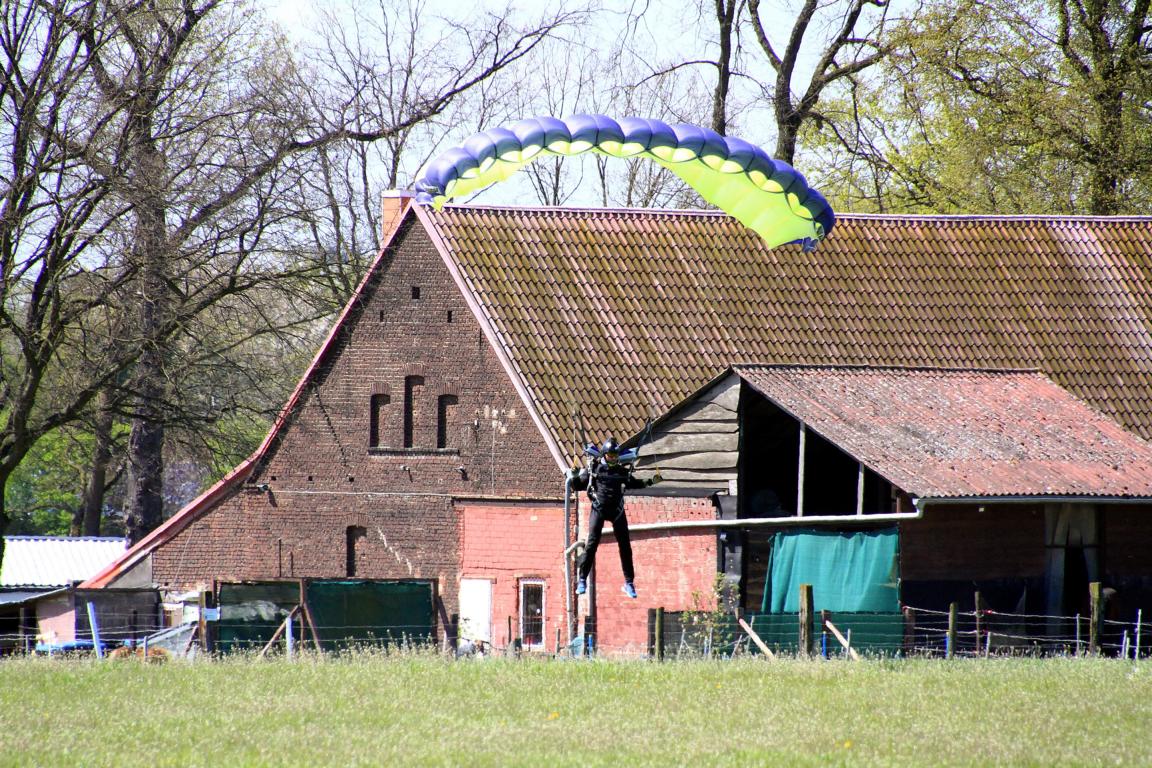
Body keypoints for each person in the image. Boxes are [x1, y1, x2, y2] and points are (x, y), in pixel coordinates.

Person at [567, 437, 660, 599]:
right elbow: (577, 486)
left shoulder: (621, 472)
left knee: (625, 547)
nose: (613, 458)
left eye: (615, 456)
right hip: (599, 510)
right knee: (591, 545)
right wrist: (574, 476)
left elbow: (634, 483)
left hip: (617, 511)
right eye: (610, 455)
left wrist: (650, 481)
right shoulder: (594, 469)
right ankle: (582, 579)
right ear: (604, 454)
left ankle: (629, 583)